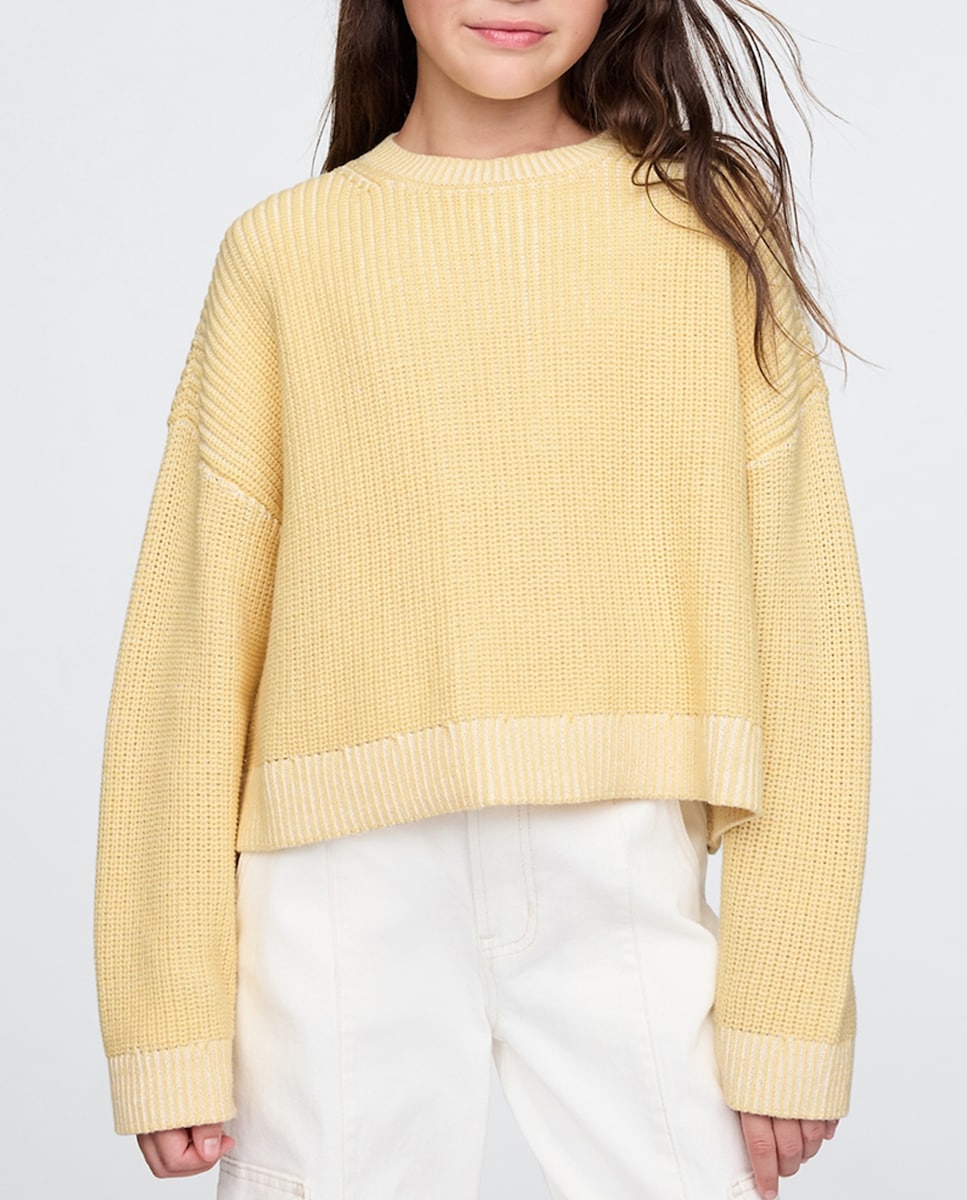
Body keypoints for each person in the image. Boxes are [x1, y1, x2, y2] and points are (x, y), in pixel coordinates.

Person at [93, 2, 872, 1198]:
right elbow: (189, 646)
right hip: (338, 890)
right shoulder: (288, 254)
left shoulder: (707, 237)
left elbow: (805, 629)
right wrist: (167, 1018)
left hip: (621, 866)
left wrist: (789, 1004)